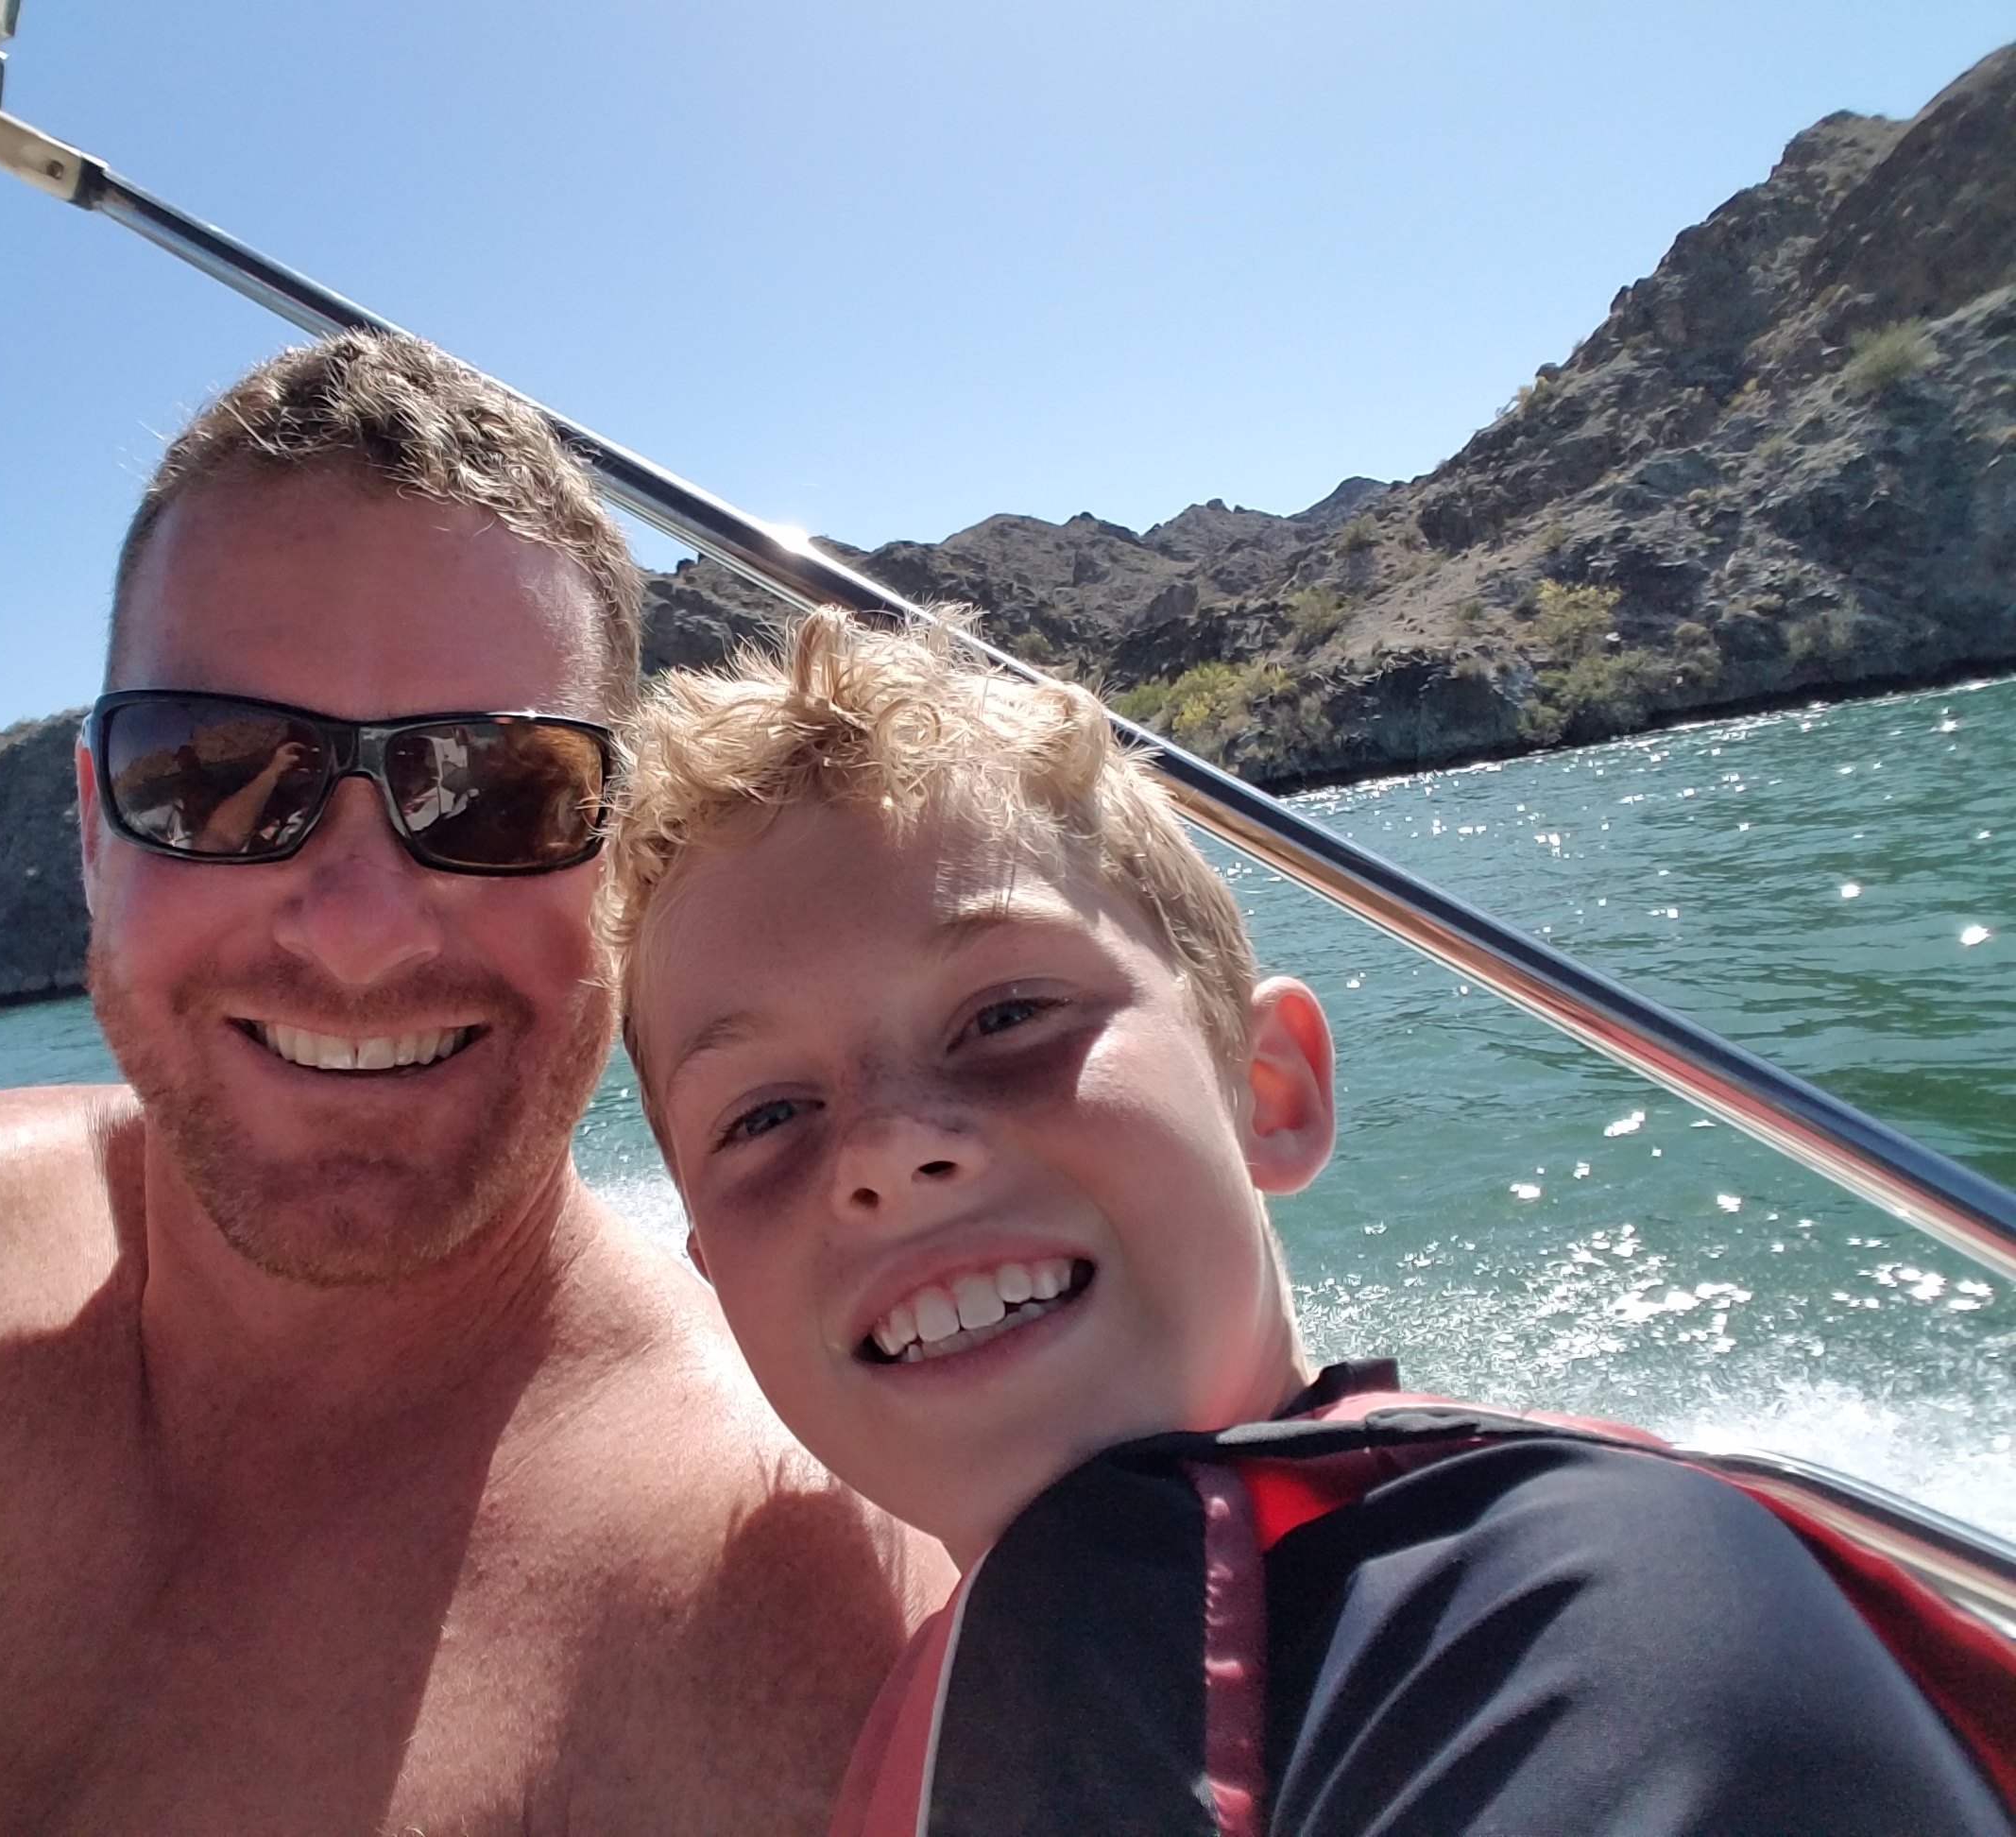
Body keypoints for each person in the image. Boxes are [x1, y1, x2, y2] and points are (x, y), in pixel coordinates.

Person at [0, 334, 948, 1833]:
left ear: (617, 864)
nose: (357, 932)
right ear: (95, 835)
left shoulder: (821, 1605)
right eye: (212, 776)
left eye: (495, 793)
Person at [602, 607, 2016, 1836]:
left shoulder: (1584, 1619)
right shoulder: (986, 1666)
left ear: (1268, 1089)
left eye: (1008, 1015)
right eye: (766, 1116)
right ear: (713, 1276)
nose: (888, 1152)